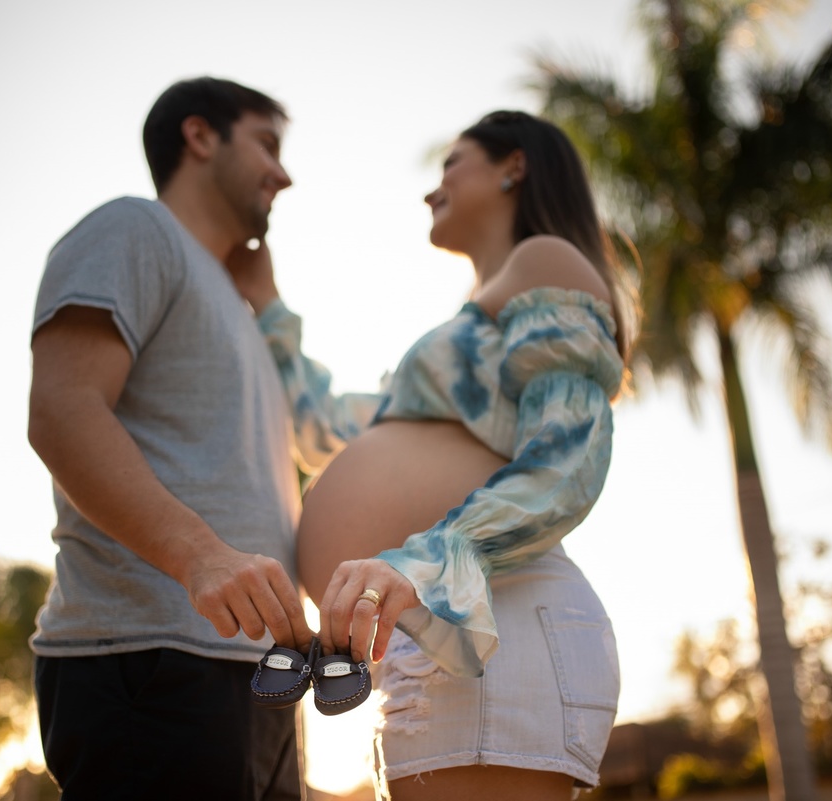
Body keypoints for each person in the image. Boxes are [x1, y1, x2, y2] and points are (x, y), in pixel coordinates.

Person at [236, 110, 636, 800]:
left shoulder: (546, 260)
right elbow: (327, 428)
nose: (432, 188)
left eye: (453, 163)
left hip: (493, 621)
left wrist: (419, 566)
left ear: (514, 165)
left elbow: (566, 457)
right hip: (445, 636)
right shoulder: (462, 338)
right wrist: (269, 305)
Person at [26, 76, 313, 800]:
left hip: (252, 670)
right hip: (152, 655)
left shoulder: (238, 307)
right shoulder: (135, 229)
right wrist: (203, 557)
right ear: (200, 135)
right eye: (267, 144)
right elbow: (62, 409)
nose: (284, 173)